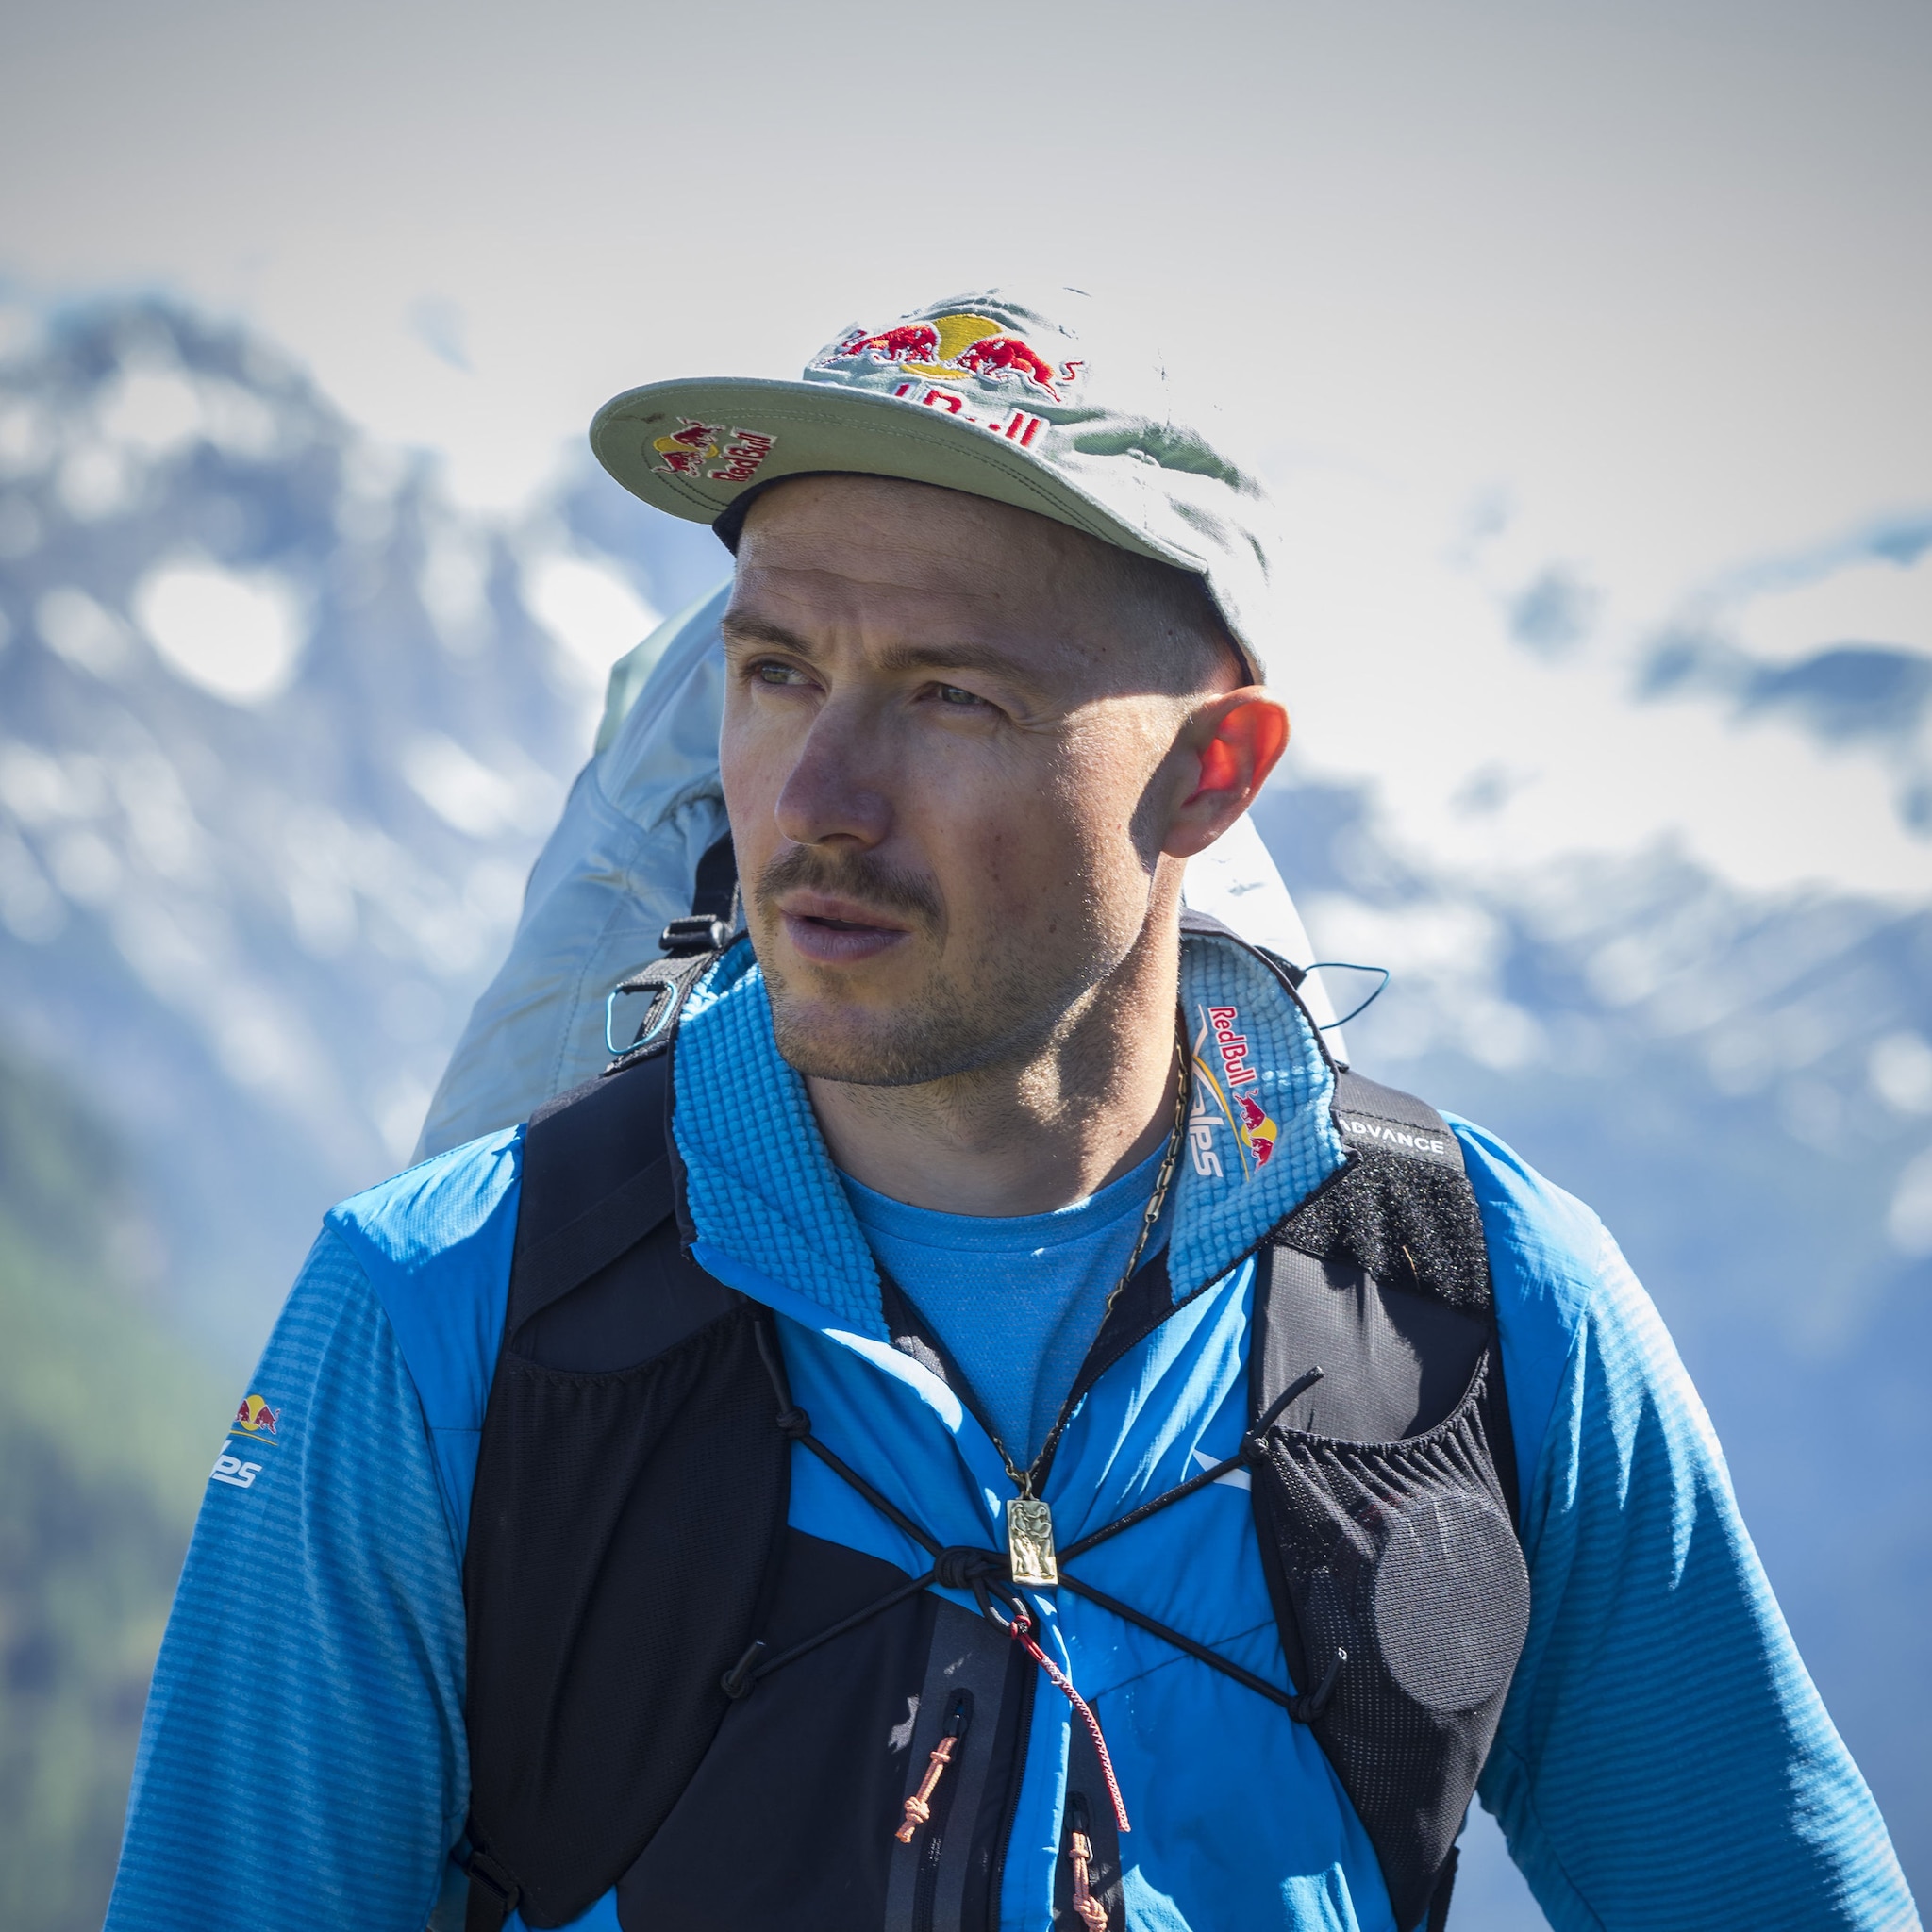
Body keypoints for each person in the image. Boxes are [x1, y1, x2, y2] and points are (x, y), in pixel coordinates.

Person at [105, 288, 1916, 1932]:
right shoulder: (441, 1314)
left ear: (1211, 777)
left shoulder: (1484, 1296)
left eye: (949, 696)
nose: (811, 798)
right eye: (774, 670)